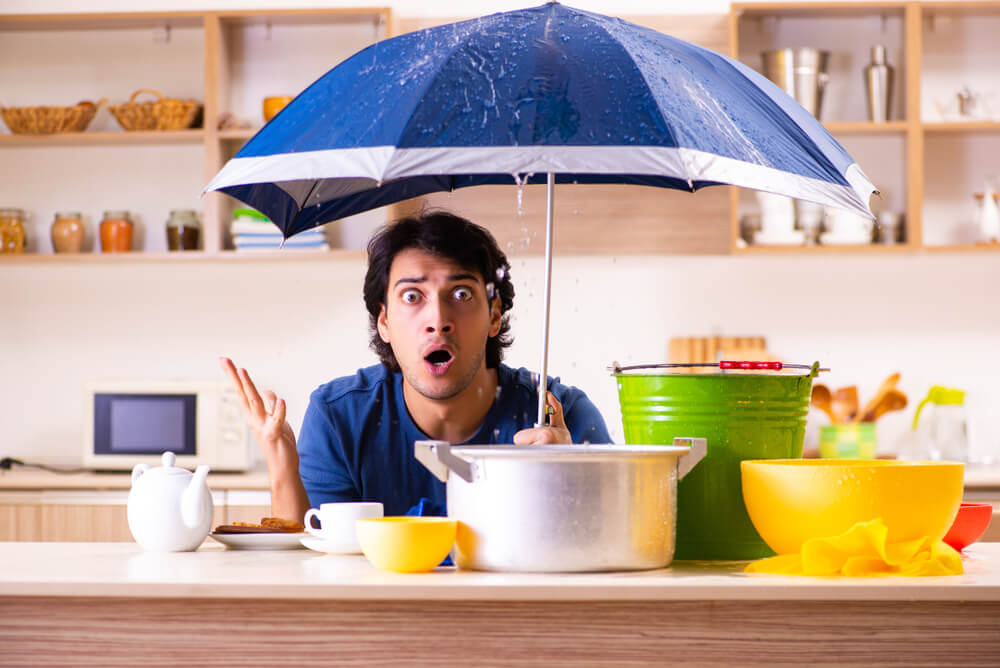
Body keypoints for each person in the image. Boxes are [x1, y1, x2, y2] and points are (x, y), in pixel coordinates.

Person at [221, 210, 610, 521]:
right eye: (412, 296)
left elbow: (617, 549)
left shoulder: (561, 416)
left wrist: (571, 477)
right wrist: (280, 463)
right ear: (384, 321)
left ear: (494, 316)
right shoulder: (339, 418)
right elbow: (315, 570)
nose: (437, 318)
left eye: (461, 293)